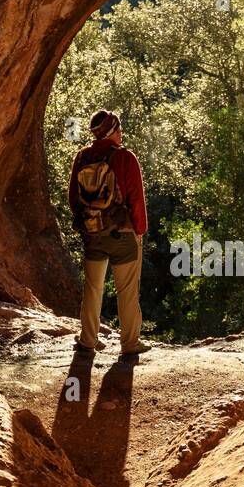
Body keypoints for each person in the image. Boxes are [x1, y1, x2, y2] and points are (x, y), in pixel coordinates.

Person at [68, 109, 151, 361]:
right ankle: (130, 344)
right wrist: (140, 231)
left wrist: (90, 224)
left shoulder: (82, 157)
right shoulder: (125, 158)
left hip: (93, 234)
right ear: (113, 130)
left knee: (93, 288)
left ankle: (87, 341)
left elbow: (73, 200)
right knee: (127, 290)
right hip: (123, 234)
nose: (121, 133)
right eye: (119, 129)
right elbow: (136, 199)